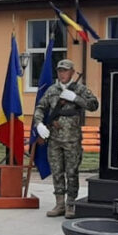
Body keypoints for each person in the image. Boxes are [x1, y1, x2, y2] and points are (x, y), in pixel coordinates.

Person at [32, 59, 100, 217]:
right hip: (54, 139)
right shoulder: (52, 90)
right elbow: (40, 107)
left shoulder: (80, 89)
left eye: (65, 71)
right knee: (57, 172)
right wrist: (39, 124)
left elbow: (94, 105)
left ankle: (71, 205)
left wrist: (76, 98)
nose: (62, 74)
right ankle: (59, 204)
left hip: (72, 139)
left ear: (72, 72)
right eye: (60, 71)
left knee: (71, 172)